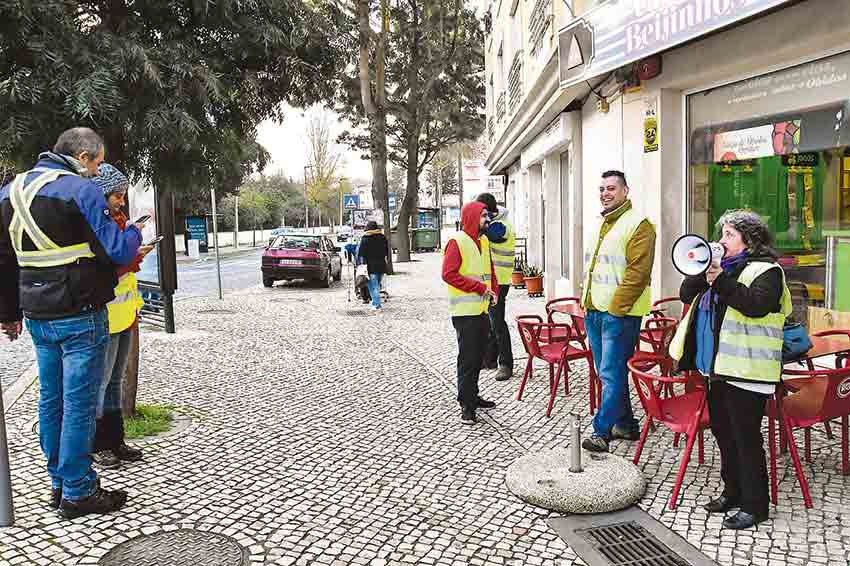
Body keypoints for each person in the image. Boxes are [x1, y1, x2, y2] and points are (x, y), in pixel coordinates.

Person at [0, 127, 142, 519]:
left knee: (52, 400)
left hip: (38, 315)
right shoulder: (80, 191)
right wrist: (131, 231)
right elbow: (116, 251)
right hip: (80, 313)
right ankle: (79, 491)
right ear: (82, 157)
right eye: (97, 164)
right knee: (79, 404)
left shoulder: (10, 192)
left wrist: (9, 313)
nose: (98, 173)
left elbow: (4, 260)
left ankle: (59, 482)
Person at [671, 210, 791, 530]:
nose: (721, 241)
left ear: (749, 240)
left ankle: (756, 505)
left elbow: (754, 305)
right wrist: (704, 268)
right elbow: (686, 294)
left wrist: (719, 278)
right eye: (721, 235)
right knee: (724, 434)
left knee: (746, 438)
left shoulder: (768, 271)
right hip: (719, 369)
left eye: (729, 235)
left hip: (750, 370)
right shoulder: (721, 269)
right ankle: (733, 492)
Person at [580, 170, 656, 453]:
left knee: (610, 372)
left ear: (626, 191)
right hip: (595, 309)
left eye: (611, 188)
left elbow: (638, 273)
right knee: (608, 371)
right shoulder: (601, 223)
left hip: (619, 314)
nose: (605, 193)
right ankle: (626, 424)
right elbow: (594, 267)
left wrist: (616, 309)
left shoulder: (640, 224)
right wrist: (585, 299)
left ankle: (601, 432)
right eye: (601, 189)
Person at [91, 164, 149, 469]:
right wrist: (132, 257)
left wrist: (136, 255)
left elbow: (123, 265)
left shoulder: (120, 221)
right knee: (101, 383)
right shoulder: (98, 226)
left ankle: (115, 440)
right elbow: (106, 269)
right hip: (106, 314)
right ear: (101, 193)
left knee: (115, 381)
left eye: (123, 195)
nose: (121, 201)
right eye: (117, 194)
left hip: (125, 313)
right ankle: (99, 445)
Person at [442, 201, 499, 425]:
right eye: (484, 216)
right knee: (467, 359)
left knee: (477, 359)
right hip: (465, 312)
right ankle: (466, 404)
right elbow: (448, 274)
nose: (487, 220)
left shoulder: (483, 241)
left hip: (482, 309)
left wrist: (493, 290)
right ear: (473, 217)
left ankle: (473, 396)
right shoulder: (457, 242)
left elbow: (489, 270)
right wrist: (479, 288)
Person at [476, 193, 515, 381]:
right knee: (491, 321)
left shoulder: (502, 225)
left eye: (481, 212)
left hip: (500, 282)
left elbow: (493, 234)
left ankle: (506, 363)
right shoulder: (492, 222)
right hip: (490, 281)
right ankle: (490, 359)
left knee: (498, 323)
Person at [357, 221, 389, 310]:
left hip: (370, 266)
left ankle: (376, 304)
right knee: (377, 286)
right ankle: (374, 302)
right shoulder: (383, 238)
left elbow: (361, 254)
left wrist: (361, 265)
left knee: (373, 286)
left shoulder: (365, 239)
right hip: (381, 266)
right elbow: (386, 251)